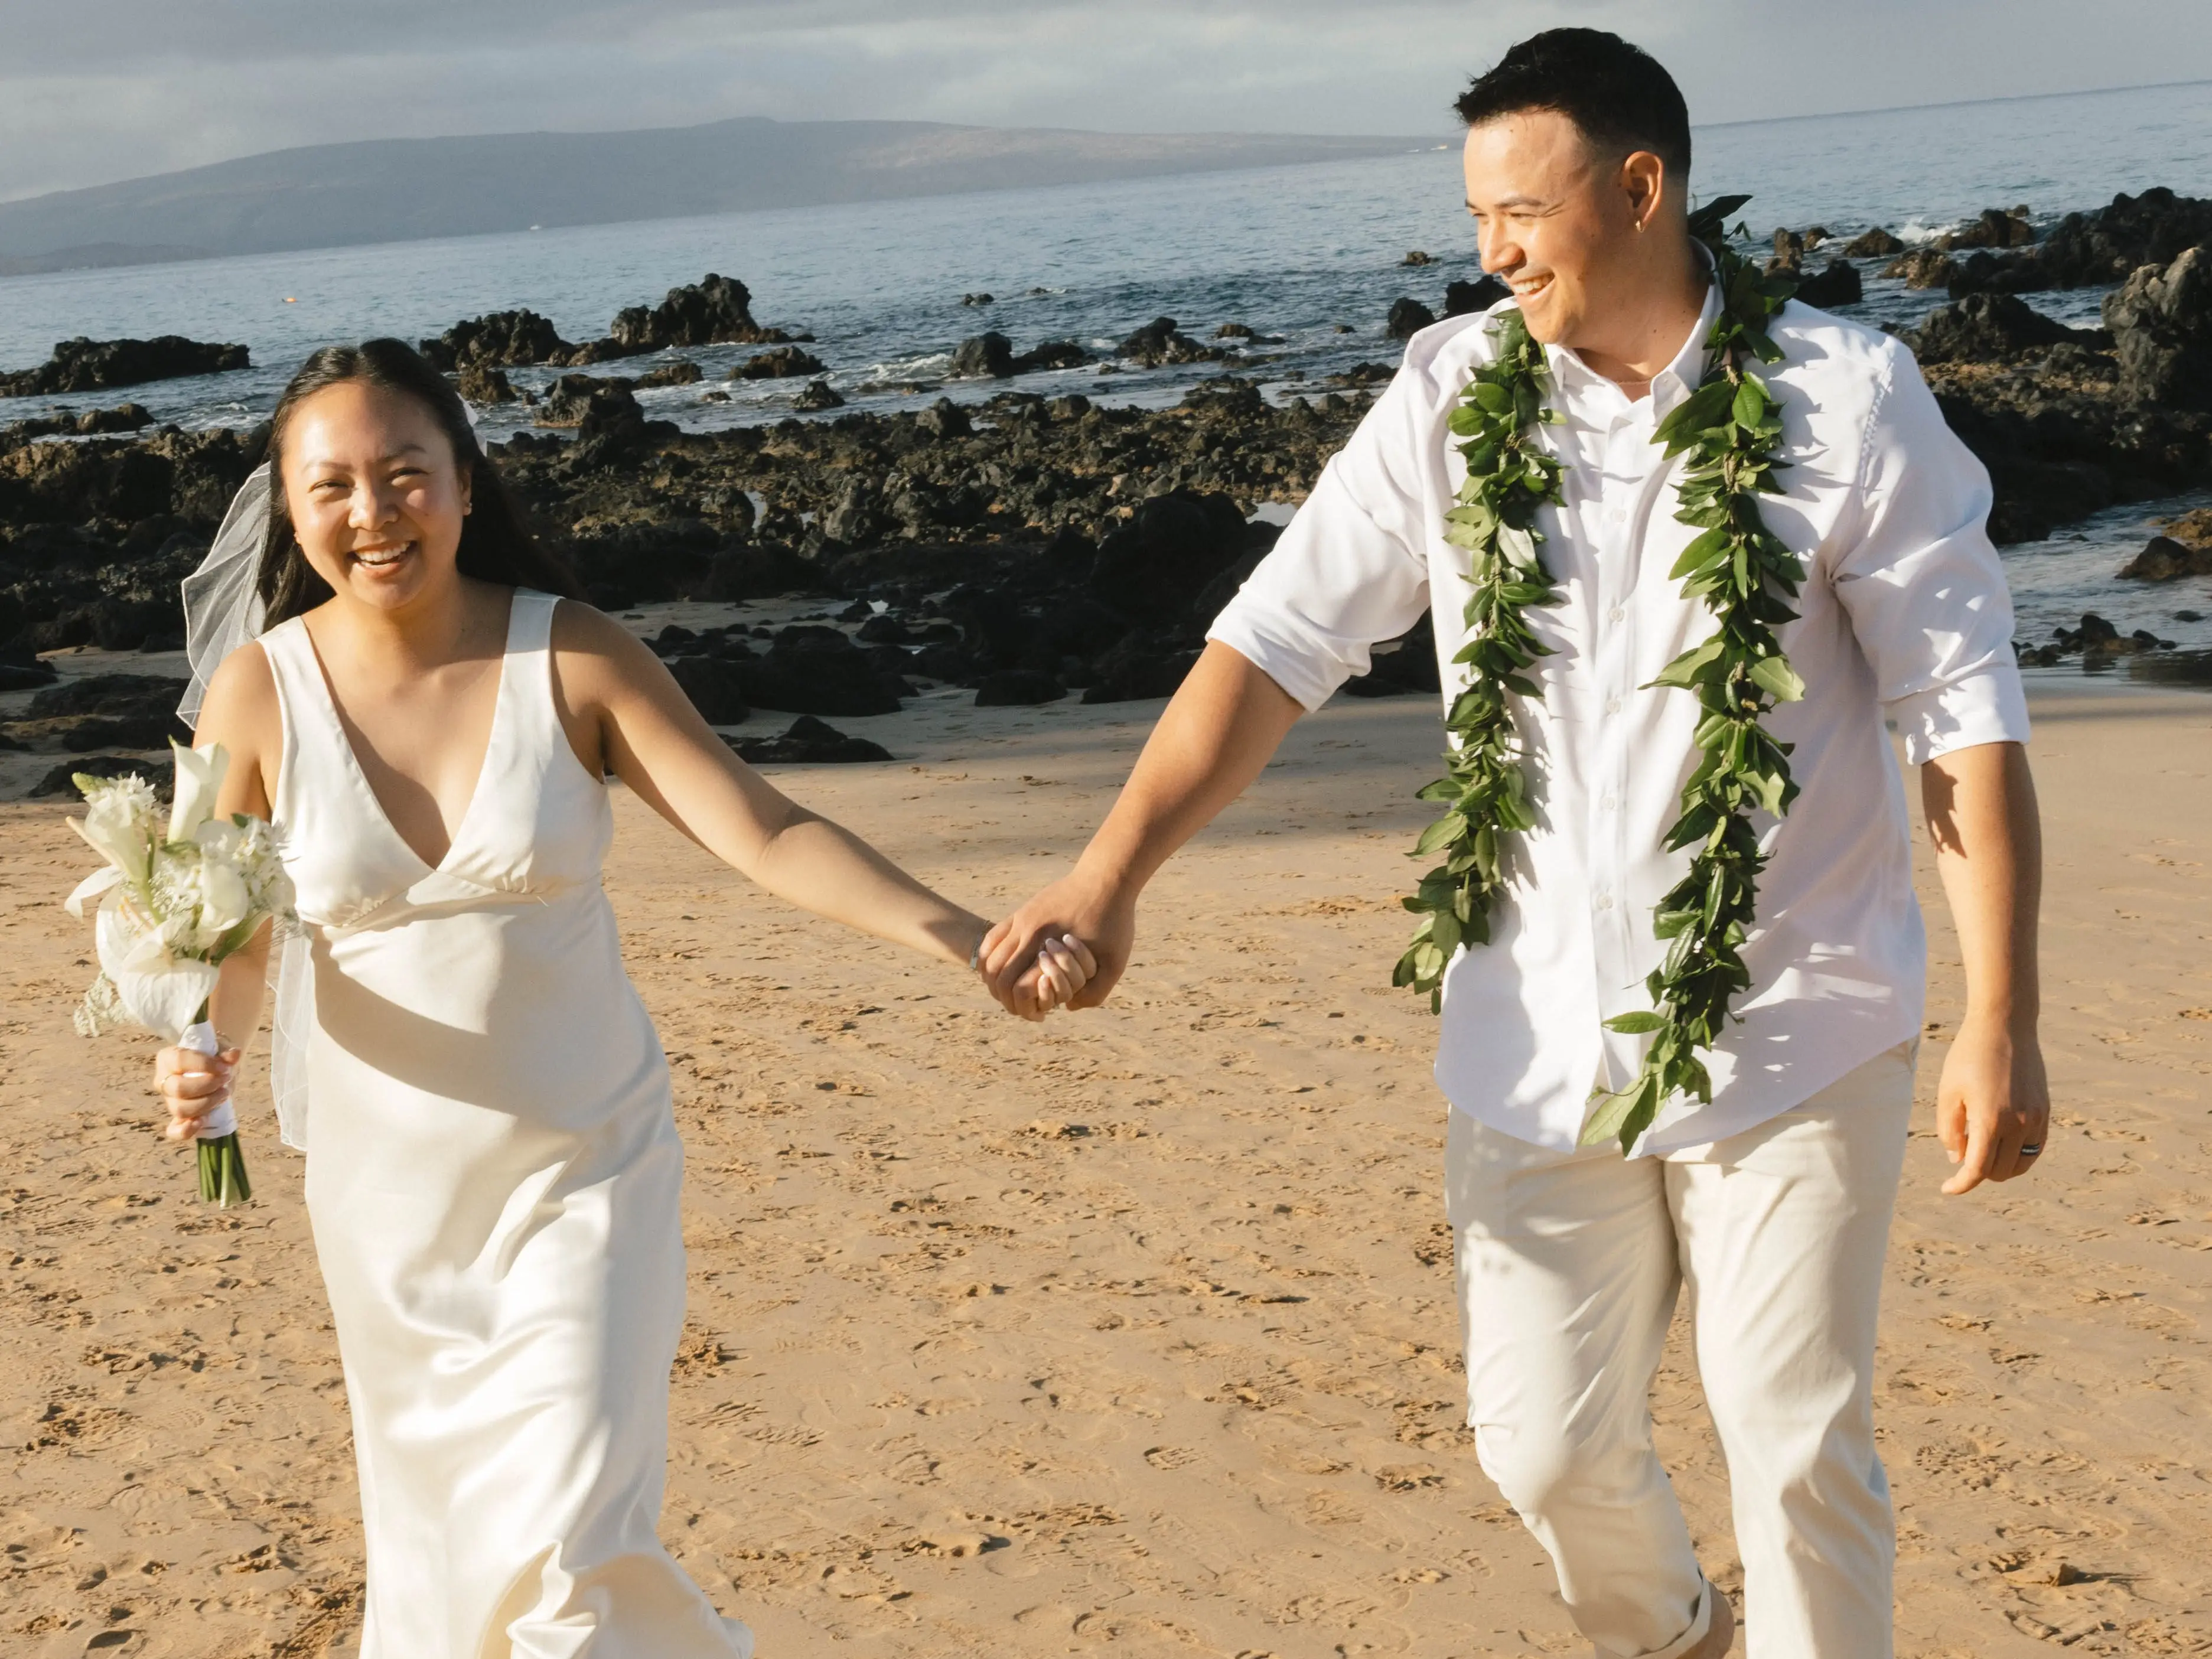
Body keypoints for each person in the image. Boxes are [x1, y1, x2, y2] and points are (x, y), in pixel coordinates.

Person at [981, 28, 2046, 1659]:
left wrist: (1999, 1014)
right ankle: (1674, 1631)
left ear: (1639, 190)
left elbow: (1958, 715)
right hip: (1532, 1034)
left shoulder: (1844, 398)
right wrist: (1105, 871)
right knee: (1540, 1449)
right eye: (1474, 215)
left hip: (1799, 1022)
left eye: (1520, 213)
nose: (1488, 252)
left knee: (1795, 1446)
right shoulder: (1450, 395)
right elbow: (1271, 648)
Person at [154, 338, 1095, 1658]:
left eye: (405, 475)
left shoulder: (575, 656)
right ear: (290, 505)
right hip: (389, 1212)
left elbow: (762, 830)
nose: (373, 514)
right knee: (445, 1577)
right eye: (334, 487)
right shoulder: (262, 693)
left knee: (578, 1558)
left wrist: (961, 935)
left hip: (584, 1175)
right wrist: (206, 1050)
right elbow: (230, 935)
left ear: (466, 484)